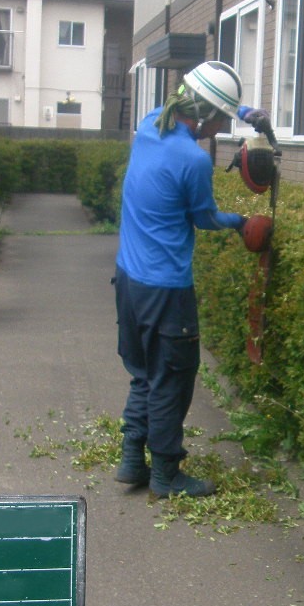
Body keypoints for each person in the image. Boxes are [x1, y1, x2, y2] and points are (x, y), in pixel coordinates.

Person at [113, 60, 273, 498]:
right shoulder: (193, 160)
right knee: (172, 379)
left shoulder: (150, 124)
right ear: (204, 116)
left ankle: (132, 458)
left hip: (127, 280)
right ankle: (166, 475)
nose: (220, 130)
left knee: (143, 372)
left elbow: (200, 105)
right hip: (166, 291)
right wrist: (242, 222)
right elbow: (205, 218)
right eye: (222, 120)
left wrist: (246, 113)